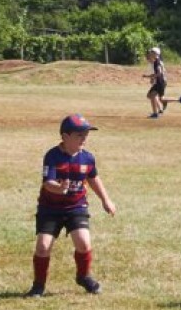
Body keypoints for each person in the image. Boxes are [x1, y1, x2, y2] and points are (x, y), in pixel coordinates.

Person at [26, 114, 117, 297]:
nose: (84, 139)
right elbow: (47, 183)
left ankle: (83, 276)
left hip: (76, 207)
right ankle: (38, 285)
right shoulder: (52, 156)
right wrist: (58, 189)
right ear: (65, 136)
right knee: (43, 246)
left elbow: (93, 178)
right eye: (79, 135)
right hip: (50, 209)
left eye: (86, 135)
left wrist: (106, 199)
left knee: (83, 243)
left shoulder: (88, 158)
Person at [143, 47, 181, 119]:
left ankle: (155, 113)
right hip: (161, 81)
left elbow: (159, 73)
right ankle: (180, 100)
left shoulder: (157, 62)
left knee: (151, 96)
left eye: (152, 52)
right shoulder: (157, 61)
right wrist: (152, 77)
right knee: (158, 98)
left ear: (155, 54)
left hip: (160, 82)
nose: (150, 54)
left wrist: (148, 76)